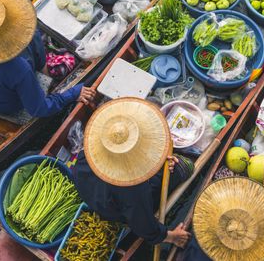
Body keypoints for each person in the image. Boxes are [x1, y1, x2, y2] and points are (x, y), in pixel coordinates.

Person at [74, 98, 192, 249]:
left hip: (93, 190)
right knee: (184, 167)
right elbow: (143, 225)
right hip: (112, 207)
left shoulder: (92, 145)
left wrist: (160, 163)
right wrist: (171, 236)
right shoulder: (132, 185)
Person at [0, 0, 95, 122]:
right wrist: (73, 94)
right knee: (35, 38)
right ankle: (47, 75)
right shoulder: (19, 68)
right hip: (8, 107)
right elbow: (40, 109)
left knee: (34, 37)